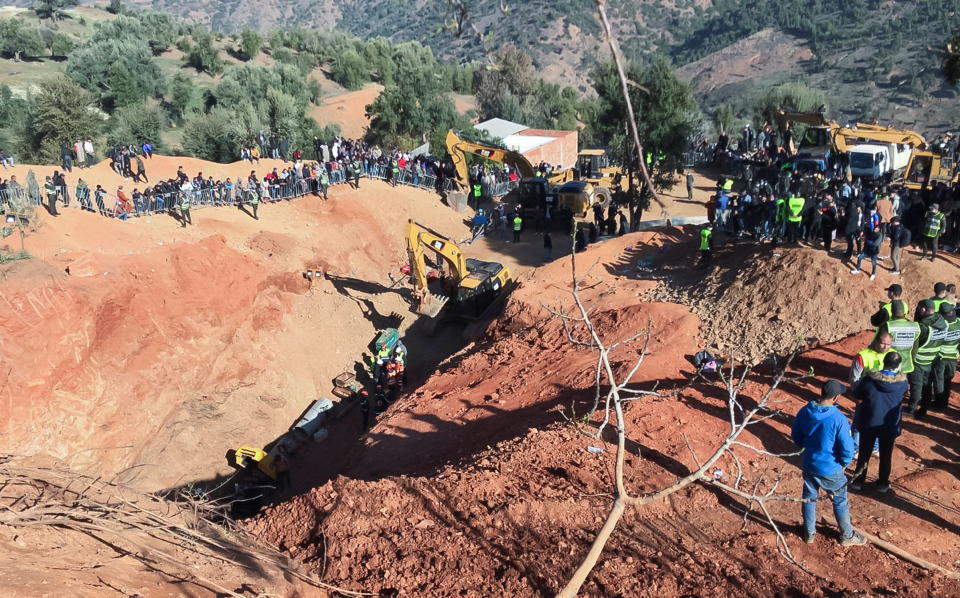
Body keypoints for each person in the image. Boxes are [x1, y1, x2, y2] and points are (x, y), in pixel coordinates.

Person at [791, 379, 865, 546]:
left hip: (809, 464)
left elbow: (796, 436)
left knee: (809, 498)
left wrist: (808, 448)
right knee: (839, 500)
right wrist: (844, 462)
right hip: (831, 468)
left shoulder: (805, 411)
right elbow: (847, 448)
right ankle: (847, 535)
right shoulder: (838, 419)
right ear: (836, 397)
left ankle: (809, 533)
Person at [850, 352, 908, 493]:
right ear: (898, 365)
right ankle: (882, 484)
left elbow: (857, 393)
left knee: (864, 454)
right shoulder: (903, 383)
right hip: (889, 425)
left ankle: (858, 481)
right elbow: (904, 395)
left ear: (883, 362)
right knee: (886, 455)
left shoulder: (870, 380)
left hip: (869, 421)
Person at [906, 300, 947, 418]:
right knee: (927, 385)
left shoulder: (923, 328)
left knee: (917, 386)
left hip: (919, 360)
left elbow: (914, 344)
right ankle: (924, 409)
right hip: (932, 360)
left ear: (923, 309)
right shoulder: (942, 322)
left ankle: (911, 410)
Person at [931, 302, 960, 412]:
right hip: (953, 358)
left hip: (941, 358)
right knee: (948, 381)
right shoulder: (959, 322)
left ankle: (939, 404)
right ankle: (945, 402)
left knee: (939, 381)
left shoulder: (942, 326)